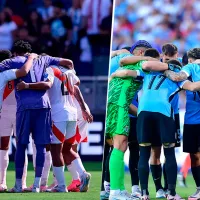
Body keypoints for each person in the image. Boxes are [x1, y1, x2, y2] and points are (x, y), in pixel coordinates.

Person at [111, 53, 200, 200]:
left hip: (143, 113)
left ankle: (144, 193)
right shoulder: (177, 79)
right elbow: (193, 87)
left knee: (144, 153)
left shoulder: (148, 73)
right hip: (163, 113)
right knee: (169, 152)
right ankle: (171, 194)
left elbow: (126, 72)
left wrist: (113, 75)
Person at [0, 40, 74, 193]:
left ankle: (19, 185)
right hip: (44, 107)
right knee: (40, 147)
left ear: (15, 52)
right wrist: (71, 72)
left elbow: (12, 69)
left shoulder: (13, 61)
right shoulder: (44, 59)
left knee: (21, 145)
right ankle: (37, 186)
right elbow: (68, 62)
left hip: (24, 108)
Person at [16, 66, 92, 193]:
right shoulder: (68, 72)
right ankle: (83, 174)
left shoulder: (49, 70)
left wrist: (28, 86)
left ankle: (61, 185)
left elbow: (48, 84)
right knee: (67, 149)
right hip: (72, 113)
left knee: (56, 150)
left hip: (58, 113)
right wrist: (83, 109)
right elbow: (76, 86)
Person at [106, 48, 158, 200]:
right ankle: (115, 192)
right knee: (119, 144)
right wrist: (154, 60)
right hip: (118, 105)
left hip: (119, 103)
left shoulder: (136, 67)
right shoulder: (141, 63)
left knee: (121, 145)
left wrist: (141, 114)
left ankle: (120, 189)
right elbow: (124, 60)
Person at [162, 48, 200, 200]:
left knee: (195, 156)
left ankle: (199, 190)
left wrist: (166, 71)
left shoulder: (190, 67)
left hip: (193, 120)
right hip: (193, 120)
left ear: (190, 59)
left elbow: (178, 77)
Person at [0, 50, 37, 192]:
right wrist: (31, 58)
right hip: (19, 111)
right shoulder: (13, 72)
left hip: (4, 113)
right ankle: (21, 183)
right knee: (21, 146)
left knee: (3, 147)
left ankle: (2, 183)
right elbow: (24, 71)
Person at [149, 43, 181, 198]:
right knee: (155, 152)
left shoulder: (179, 66)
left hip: (172, 114)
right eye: (165, 58)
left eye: (171, 58)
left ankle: (169, 189)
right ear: (162, 56)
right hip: (158, 113)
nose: (168, 61)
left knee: (170, 152)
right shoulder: (156, 66)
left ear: (176, 55)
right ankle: (159, 189)